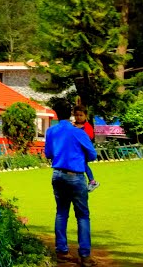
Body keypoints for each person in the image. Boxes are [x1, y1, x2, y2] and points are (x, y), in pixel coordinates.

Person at [44, 99, 97, 267]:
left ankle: (62, 252)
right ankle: (85, 256)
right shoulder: (78, 132)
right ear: (71, 114)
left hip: (57, 175)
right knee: (82, 215)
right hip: (75, 175)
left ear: (56, 113)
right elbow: (93, 155)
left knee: (61, 213)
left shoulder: (51, 131)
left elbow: (48, 154)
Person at [73, 106, 100, 192]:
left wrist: (80, 131)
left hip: (83, 150)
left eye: (81, 115)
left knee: (84, 164)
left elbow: (90, 136)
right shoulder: (73, 125)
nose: (79, 117)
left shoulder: (87, 126)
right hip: (75, 150)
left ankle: (92, 181)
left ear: (85, 116)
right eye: (77, 115)